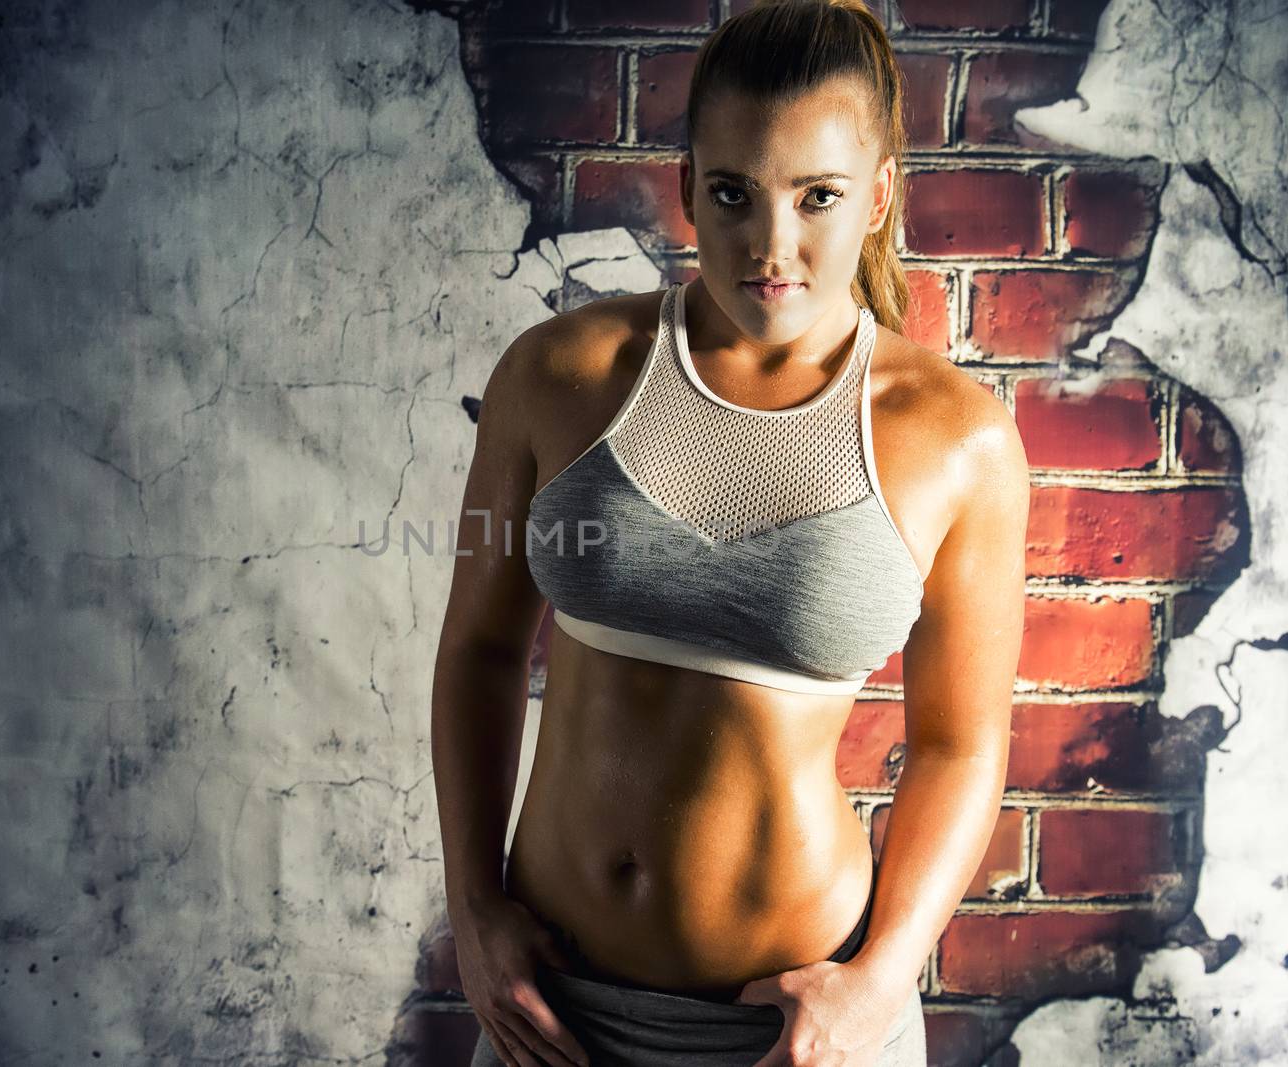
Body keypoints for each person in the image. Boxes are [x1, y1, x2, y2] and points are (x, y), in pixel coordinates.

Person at [431, 1, 1029, 1063]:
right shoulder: (556, 374)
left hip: (797, 1030)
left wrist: (878, 981)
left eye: (818, 197)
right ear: (685, 187)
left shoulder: (957, 438)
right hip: (551, 1014)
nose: (771, 245)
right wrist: (473, 910)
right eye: (733, 194)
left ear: (880, 194)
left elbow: (960, 741)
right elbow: (480, 649)